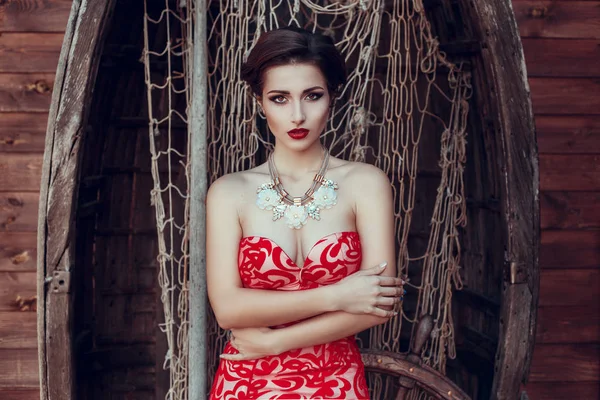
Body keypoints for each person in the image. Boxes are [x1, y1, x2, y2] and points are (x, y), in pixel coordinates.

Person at [206, 26, 405, 400]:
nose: (297, 115)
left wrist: (276, 342)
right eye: (279, 98)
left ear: (332, 98)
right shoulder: (229, 192)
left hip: (335, 380)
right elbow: (229, 311)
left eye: (312, 96)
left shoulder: (365, 183)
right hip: (246, 383)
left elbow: (377, 306)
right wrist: (339, 295)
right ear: (260, 103)